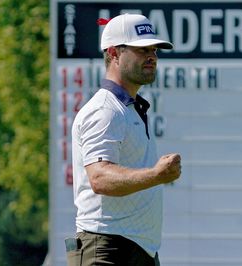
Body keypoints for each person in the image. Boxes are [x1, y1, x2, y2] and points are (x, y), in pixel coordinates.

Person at [66, 13, 181, 266]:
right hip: (106, 249)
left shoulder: (127, 107)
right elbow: (100, 178)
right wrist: (156, 175)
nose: (151, 56)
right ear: (114, 53)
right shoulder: (106, 110)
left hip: (133, 249)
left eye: (154, 49)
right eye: (141, 49)